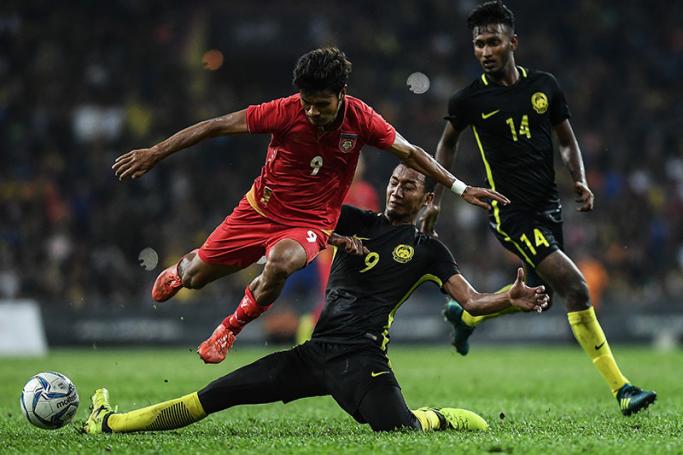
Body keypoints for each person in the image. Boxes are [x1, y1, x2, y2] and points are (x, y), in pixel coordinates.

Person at [83, 164, 548, 435]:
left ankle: (436, 418)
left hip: (363, 358)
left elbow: (471, 302)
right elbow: (300, 216)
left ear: (427, 198)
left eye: (408, 185)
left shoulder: (429, 250)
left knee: (401, 431)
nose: (395, 188)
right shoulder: (353, 220)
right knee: (216, 395)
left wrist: (509, 297)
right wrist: (331, 235)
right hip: (314, 354)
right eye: (393, 181)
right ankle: (109, 423)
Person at [112, 47, 508, 364]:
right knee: (198, 277)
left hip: (311, 222)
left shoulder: (362, 118)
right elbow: (214, 125)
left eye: (322, 104)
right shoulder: (284, 111)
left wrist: (458, 188)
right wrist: (156, 151)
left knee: (281, 262)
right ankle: (182, 268)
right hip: (258, 210)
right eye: (308, 103)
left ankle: (229, 328)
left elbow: (412, 152)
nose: (313, 112)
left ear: (341, 95)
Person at [419, 1, 655, 416]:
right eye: (478, 44)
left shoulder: (545, 86)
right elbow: (447, 144)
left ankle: (467, 318)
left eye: (493, 41)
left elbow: (566, 137)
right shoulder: (468, 99)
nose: (485, 51)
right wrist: (436, 198)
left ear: (513, 41)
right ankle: (623, 389)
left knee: (544, 294)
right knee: (577, 288)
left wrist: (578, 177)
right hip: (509, 212)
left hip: (548, 207)